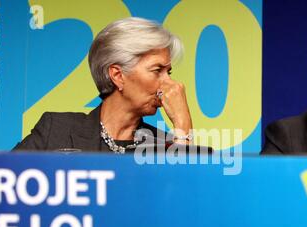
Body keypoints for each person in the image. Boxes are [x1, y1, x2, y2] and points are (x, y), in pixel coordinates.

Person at [13, 17, 195, 153]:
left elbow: (188, 197)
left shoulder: (165, 145)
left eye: (168, 72)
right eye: (157, 70)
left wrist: (182, 123)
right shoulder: (56, 130)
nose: (170, 83)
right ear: (117, 75)